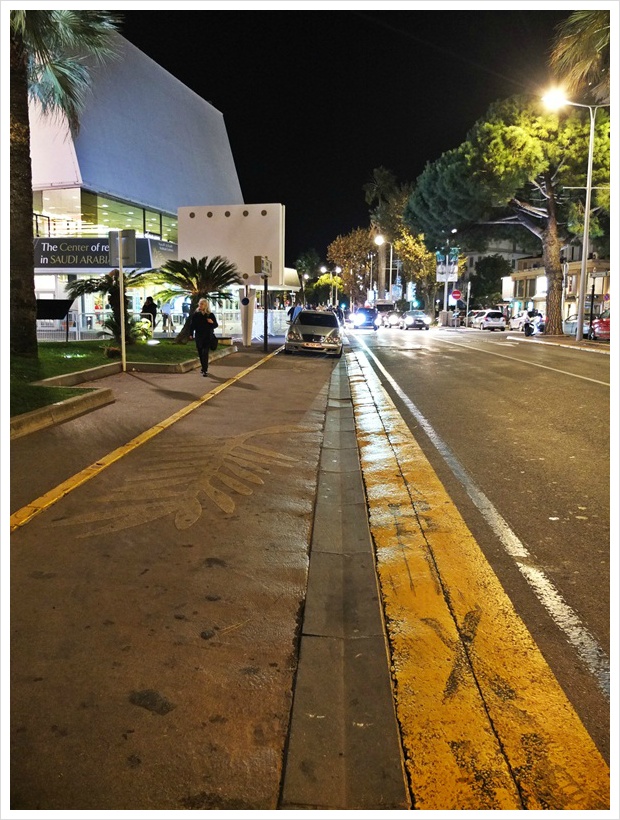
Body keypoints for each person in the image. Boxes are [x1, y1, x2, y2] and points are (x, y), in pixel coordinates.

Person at [190, 298, 218, 376]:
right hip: (199, 337)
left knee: (205, 353)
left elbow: (215, 325)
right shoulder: (196, 315)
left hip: (208, 337)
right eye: (199, 304)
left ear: (206, 305)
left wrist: (212, 322)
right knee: (200, 353)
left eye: (202, 304)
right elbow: (192, 325)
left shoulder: (210, 315)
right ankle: (203, 367)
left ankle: (205, 369)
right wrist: (191, 334)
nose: (200, 305)